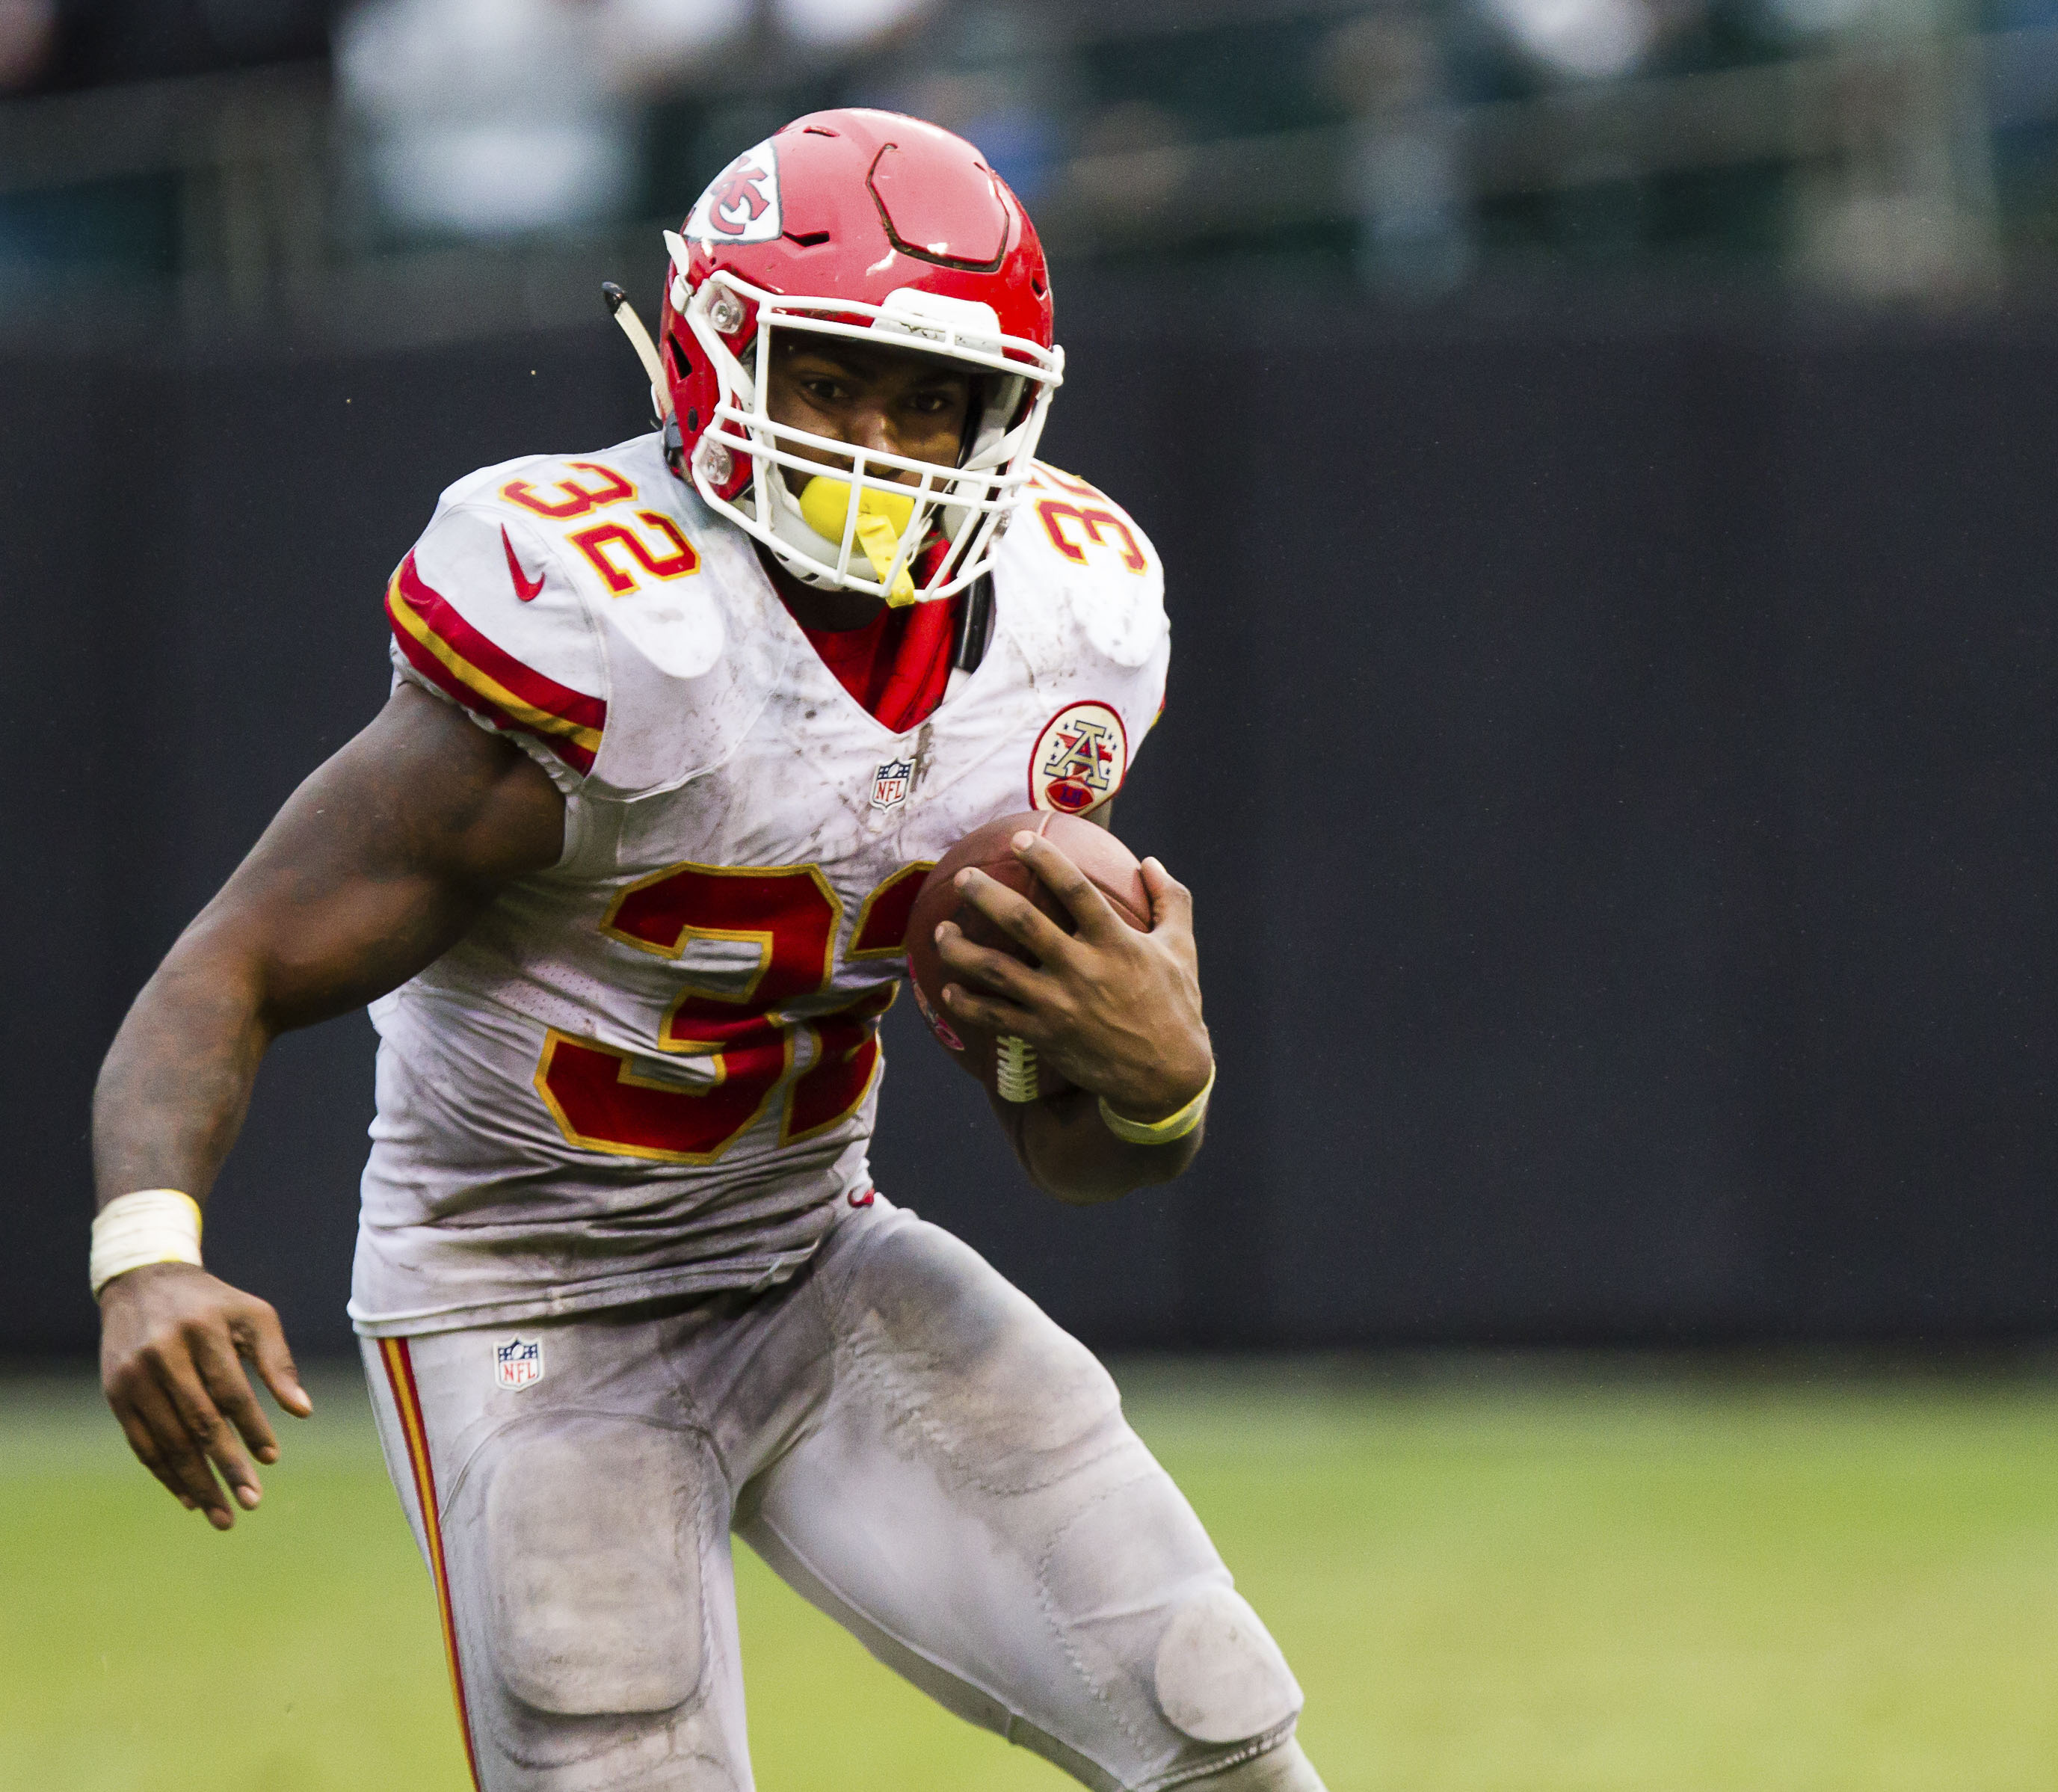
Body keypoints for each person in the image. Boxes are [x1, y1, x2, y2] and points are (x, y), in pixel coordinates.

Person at [88, 109, 1328, 1792]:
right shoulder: (600, 626)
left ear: (1009, 409)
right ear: (713, 355)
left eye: (935, 398)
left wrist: (1161, 1086)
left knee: (1211, 1703)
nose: (885, 442)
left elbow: (1069, 1151)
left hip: (814, 1255)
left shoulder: (1067, 630)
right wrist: (147, 1250)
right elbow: (230, 961)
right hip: (524, 1305)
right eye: (832, 379)